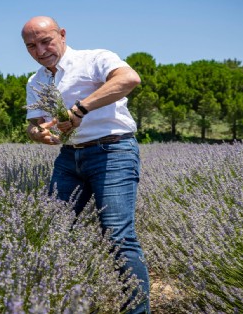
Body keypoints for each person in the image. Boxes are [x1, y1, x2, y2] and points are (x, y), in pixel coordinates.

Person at [22, 16, 150, 313]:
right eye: (31, 46)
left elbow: (129, 79)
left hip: (113, 152)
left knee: (118, 237)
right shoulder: (36, 81)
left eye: (45, 41)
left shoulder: (95, 58)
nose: (40, 51)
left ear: (62, 34)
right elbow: (33, 123)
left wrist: (80, 108)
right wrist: (39, 133)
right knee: (49, 229)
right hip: (69, 158)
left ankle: (137, 311)